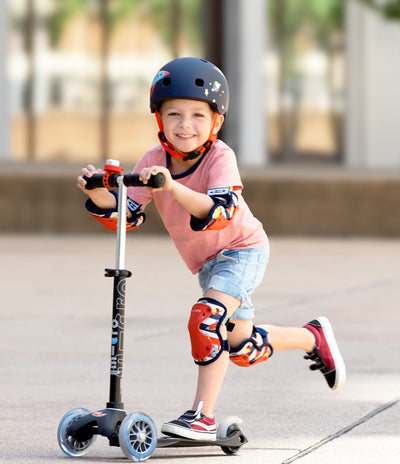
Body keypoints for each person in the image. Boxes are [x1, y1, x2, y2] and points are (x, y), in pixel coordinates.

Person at [77, 57, 346, 441]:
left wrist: (171, 187)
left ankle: (202, 415)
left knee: (207, 319)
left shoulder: (220, 158)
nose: (185, 125)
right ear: (159, 119)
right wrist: (98, 191)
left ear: (215, 122)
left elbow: (217, 212)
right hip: (206, 261)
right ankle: (312, 337)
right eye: (174, 114)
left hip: (241, 249)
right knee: (240, 346)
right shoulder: (154, 160)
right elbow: (126, 216)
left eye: (197, 115)